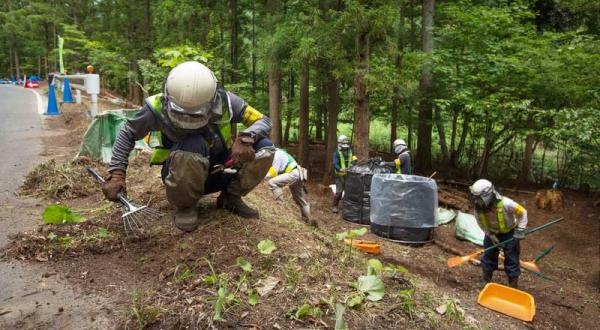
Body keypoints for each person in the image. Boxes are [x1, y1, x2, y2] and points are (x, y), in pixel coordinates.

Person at [102, 61, 276, 232]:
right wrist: (117, 173)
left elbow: (264, 120)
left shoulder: (227, 102)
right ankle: (185, 206)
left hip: (223, 169)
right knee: (193, 142)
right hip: (181, 175)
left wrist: (247, 138)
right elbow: (128, 133)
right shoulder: (155, 108)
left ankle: (231, 197)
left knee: (265, 148)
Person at [469, 179, 528, 289]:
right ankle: (486, 281)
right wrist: (490, 235)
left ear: (487, 195)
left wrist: (520, 230)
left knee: (512, 257)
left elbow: (523, 212)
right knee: (488, 255)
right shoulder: (478, 209)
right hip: (491, 233)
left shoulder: (506, 203)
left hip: (509, 233)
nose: (476, 201)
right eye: (474, 198)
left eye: (478, 198)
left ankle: (513, 285)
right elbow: (480, 223)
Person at [265, 148, 315, 226]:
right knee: (300, 199)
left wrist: (262, 177)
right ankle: (308, 220)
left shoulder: (277, 154)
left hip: (294, 174)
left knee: (272, 182)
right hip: (298, 174)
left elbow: (274, 171)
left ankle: (280, 206)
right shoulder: (280, 153)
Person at [331, 135, 357, 213]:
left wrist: (352, 165)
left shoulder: (351, 150)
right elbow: (335, 163)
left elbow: (354, 159)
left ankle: (346, 206)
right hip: (339, 175)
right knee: (339, 191)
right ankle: (334, 206)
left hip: (349, 175)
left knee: (349, 191)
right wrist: (340, 169)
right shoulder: (336, 152)